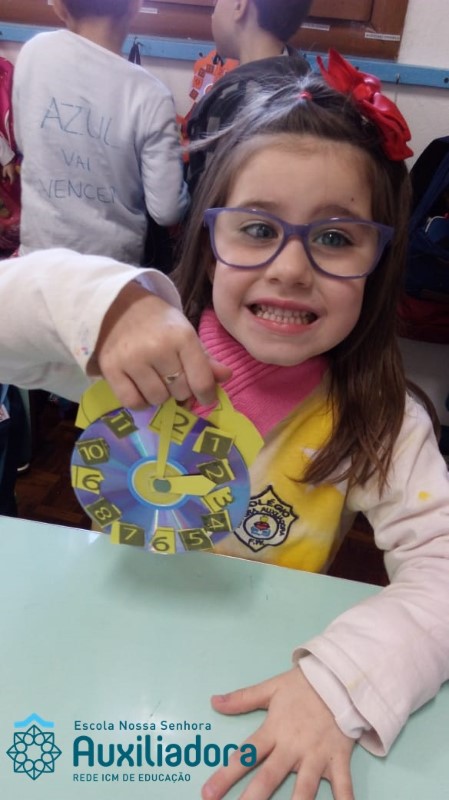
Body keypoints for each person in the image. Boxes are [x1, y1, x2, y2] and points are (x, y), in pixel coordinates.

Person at [1, 50, 449, 800]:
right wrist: (106, 307)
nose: (291, 268)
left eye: (335, 238)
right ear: (208, 242)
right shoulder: (129, 360)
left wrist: (345, 679)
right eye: (256, 228)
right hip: (98, 656)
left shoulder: (381, 420)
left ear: (378, 261)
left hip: (261, 684)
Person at [12, 0, 188, 265]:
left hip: (37, 264)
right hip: (112, 272)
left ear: (58, 6)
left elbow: (24, 141)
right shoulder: (151, 95)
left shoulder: (34, 53)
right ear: (135, 6)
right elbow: (167, 211)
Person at [185, 0, 312, 194]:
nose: (213, 10)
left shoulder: (229, 102)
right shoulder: (305, 82)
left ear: (239, 6)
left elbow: (208, 199)